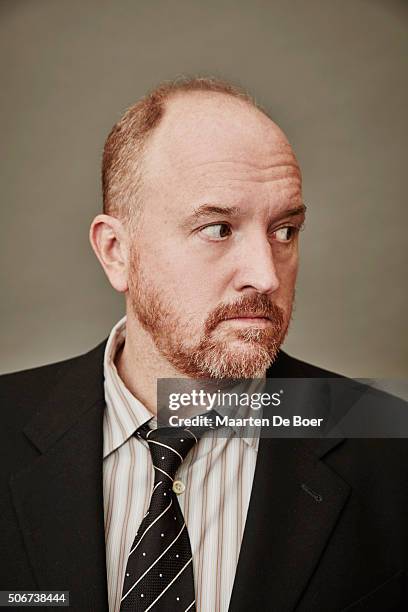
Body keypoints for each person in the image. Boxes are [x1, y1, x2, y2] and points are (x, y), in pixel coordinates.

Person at [0, 78, 406, 612]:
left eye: (285, 230)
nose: (265, 275)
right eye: (218, 229)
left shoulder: (391, 448)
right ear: (116, 251)